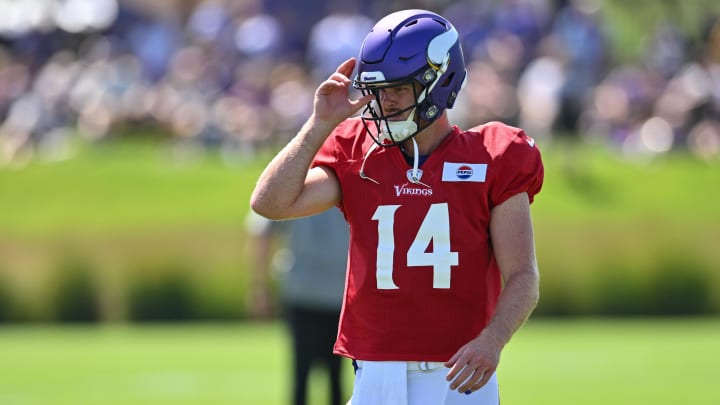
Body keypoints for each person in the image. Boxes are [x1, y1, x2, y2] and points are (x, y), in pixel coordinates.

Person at [250, 9, 544, 405]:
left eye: (398, 89)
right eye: (379, 90)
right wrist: (319, 123)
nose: (385, 102)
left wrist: (493, 339)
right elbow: (270, 204)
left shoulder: (493, 156)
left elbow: (523, 276)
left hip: (460, 375)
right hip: (375, 374)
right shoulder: (359, 152)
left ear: (440, 83)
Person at [245, 209, 349, 405]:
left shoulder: (292, 181)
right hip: (334, 290)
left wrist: (259, 286)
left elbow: (261, 231)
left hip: (305, 290)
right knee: (333, 375)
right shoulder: (349, 179)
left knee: (302, 373)